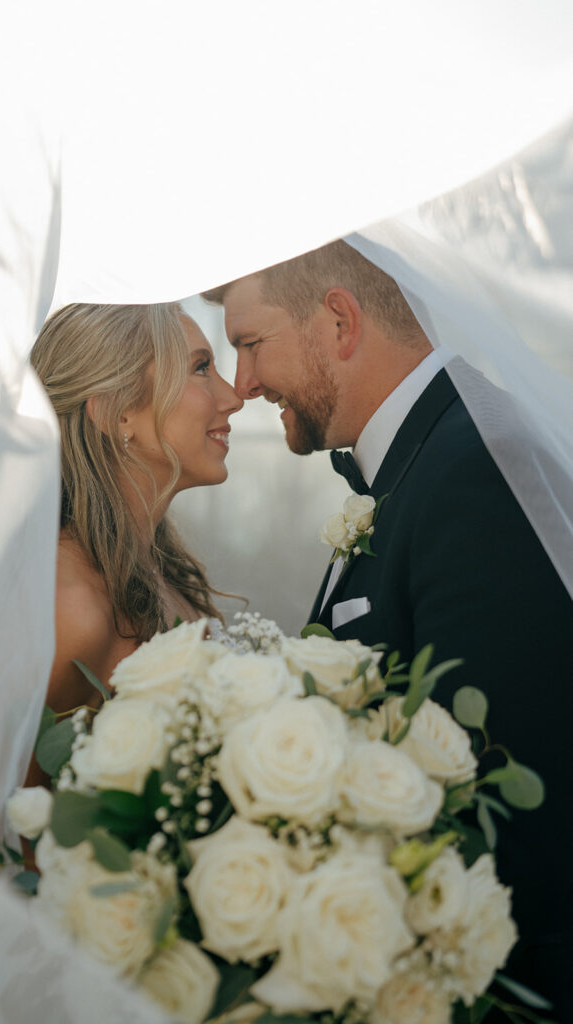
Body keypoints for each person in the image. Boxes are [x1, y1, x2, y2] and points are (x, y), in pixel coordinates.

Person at [203, 239, 572, 1016]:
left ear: (338, 320)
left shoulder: (473, 467)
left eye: (248, 344)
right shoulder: (424, 460)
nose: (243, 384)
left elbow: (523, 817)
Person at [29, 301, 242, 729]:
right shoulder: (71, 607)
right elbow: (16, 794)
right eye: (201, 368)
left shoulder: (157, 568)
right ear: (116, 411)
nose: (233, 398)